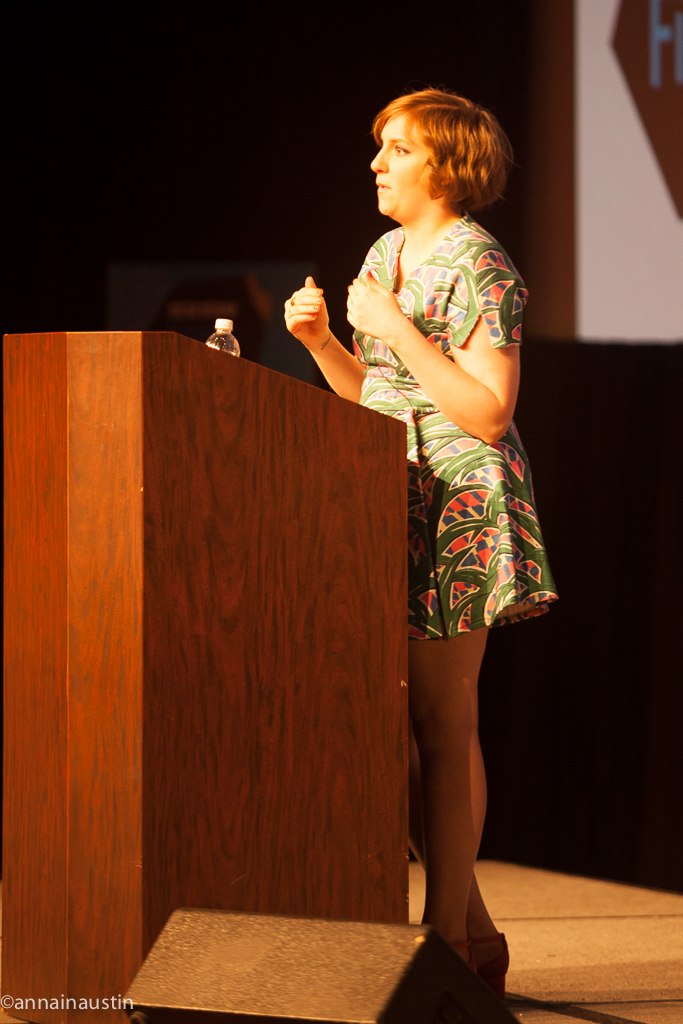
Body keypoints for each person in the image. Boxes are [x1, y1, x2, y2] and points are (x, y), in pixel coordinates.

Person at [284, 88, 557, 999]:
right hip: (389, 490)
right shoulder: (383, 252)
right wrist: (325, 344)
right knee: (397, 726)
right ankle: (470, 929)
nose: (375, 163)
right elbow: (380, 396)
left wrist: (394, 327)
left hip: (459, 505)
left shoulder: (482, 263)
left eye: (393, 148)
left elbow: (485, 412)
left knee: (444, 723)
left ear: (442, 165)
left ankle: (442, 938)